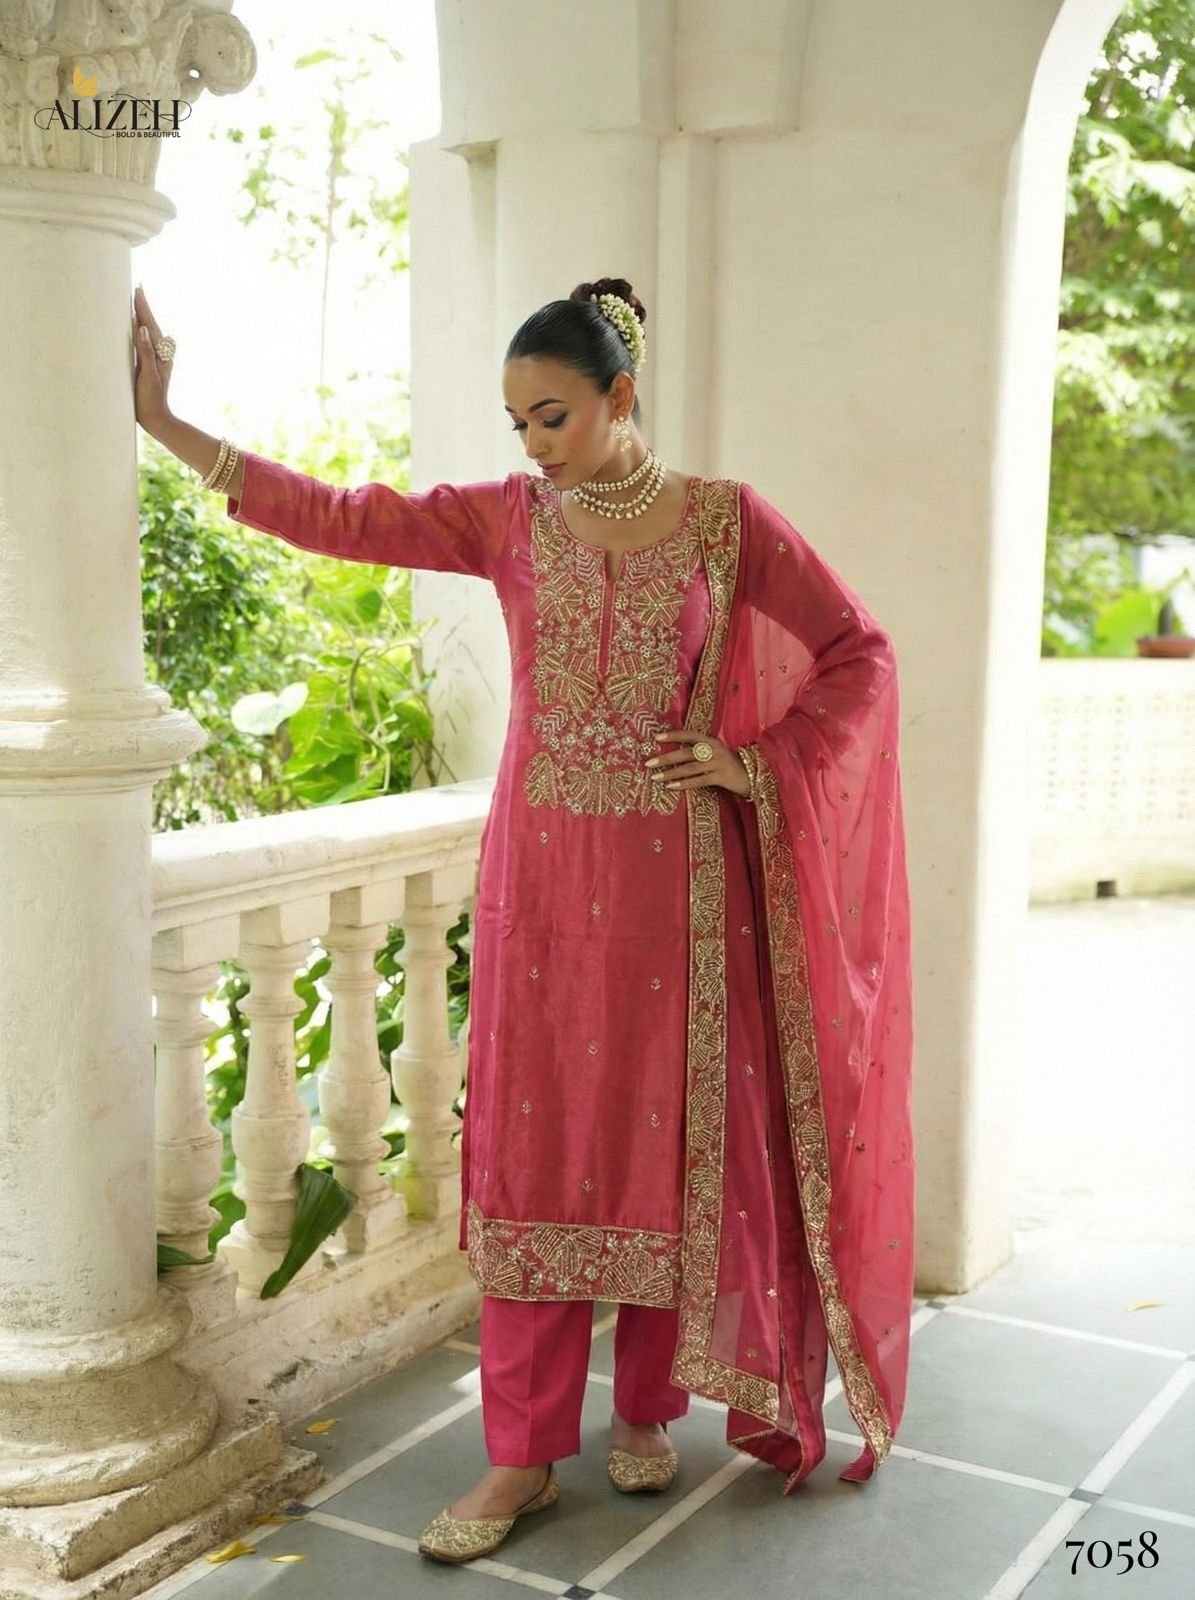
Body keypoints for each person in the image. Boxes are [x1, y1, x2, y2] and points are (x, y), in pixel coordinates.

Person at [132, 275, 915, 1566]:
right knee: (537, 1160)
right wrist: (169, 425)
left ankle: (648, 1406)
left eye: (554, 417)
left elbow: (857, 652)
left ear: (621, 396)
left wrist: (755, 762)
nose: (535, 446)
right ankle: (521, 1456)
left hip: (677, 888)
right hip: (542, 892)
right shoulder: (506, 520)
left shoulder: (726, 524)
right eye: (518, 424)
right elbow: (344, 516)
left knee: (665, 1144)